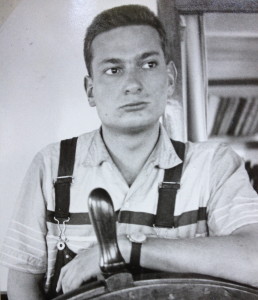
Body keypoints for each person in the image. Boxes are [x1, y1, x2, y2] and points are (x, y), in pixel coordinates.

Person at [1, 4, 258, 299]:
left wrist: (126, 247)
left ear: (170, 78)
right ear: (90, 90)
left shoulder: (214, 166)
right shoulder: (53, 165)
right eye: (113, 70)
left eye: (148, 64)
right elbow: (22, 283)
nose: (133, 85)